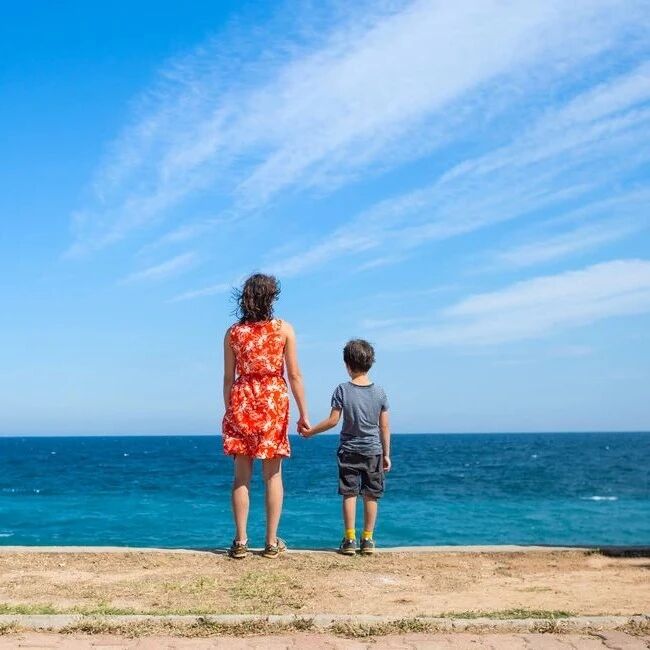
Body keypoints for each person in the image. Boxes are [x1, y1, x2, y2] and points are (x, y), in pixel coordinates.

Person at [222, 273, 309, 559]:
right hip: (273, 400)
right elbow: (294, 375)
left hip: (242, 399)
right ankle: (271, 542)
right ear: (271, 297)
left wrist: (230, 410)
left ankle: (240, 541)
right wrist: (304, 413)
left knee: (241, 476)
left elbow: (228, 377)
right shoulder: (284, 329)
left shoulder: (234, 333)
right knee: (273, 475)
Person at [299, 339, 391, 555]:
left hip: (348, 450)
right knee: (371, 495)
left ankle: (349, 539)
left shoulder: (342, 390)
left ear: (347, 364)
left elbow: (333, 421)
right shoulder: (380, 392)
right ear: (370, 363)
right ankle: (367, 539)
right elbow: (384, 426)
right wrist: (387, 454)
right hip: (374, 451)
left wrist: (311, 432)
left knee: (349, 493)